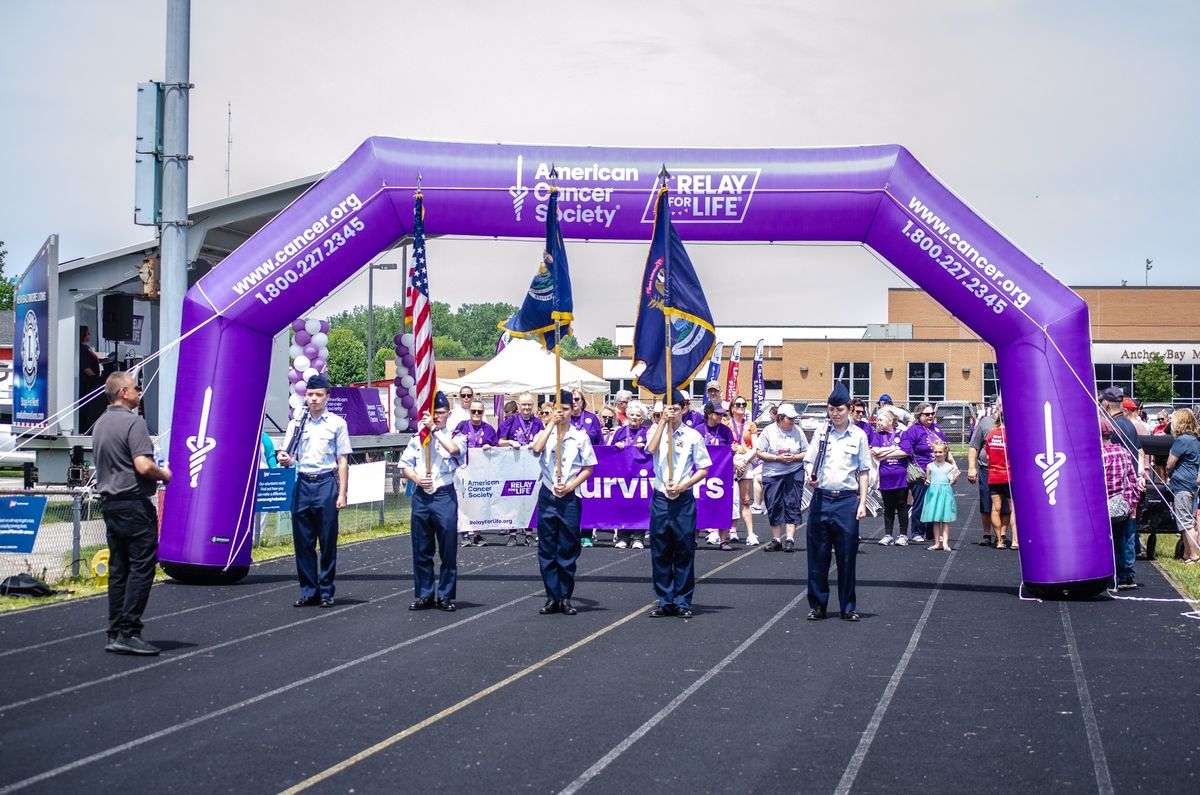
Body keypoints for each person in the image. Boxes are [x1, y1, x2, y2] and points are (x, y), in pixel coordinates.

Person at [93, 371, 171, 655]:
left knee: (119, 569)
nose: (139, 393)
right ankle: (129, 630)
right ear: (124, 393)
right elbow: (143, 465)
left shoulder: (100, 424)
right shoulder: (133, 423)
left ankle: (115, 630)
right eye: (136, 389)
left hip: (110, 503)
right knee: (141, 567)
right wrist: (164, 474)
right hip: (134, 503)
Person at [277, 374, 352, 608]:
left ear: (327, 397)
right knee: (303, 541)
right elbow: (290, 456)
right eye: (310, 395)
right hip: (303, 483)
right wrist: (284, 458)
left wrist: (342, 493)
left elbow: (342, 460)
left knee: (327, 541)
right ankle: (309, 590)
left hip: (326, 484)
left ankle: (327, 590)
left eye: (319, 395)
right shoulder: (296, 424)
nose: (314, 399)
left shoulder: (337, 424)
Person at [803, 384, 871, 621]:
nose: (835, 414)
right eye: (831, 409)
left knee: (846, 556)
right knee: (818, 556)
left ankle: (848, 607)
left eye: (840, 409)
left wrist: (862, 502)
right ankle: (818, 605)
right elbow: (809, 461)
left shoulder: (859, 436)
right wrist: (810, 476)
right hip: (821, 499)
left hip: (846, 501)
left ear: (849, 409)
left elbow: (864, 471)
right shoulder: (822, 433)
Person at [646, 389, 711, 618]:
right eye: (668, 408)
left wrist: (684, 485)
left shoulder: (693, 436)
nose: (671, 411)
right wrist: (663, 422)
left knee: (684, 550)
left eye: (676, 408)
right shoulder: (656, 431)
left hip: (683, 500)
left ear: (684, 409)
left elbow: (703, 468)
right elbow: (650, 450)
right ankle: (665, 600)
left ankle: (683, 600)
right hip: (661, 499)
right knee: (661, 551)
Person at [531, 389, 597, 615]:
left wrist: (570, 486)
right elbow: (536, 450)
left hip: (569, 496)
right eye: (558, 409)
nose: (562, 413)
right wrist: (550, 424)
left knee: (568, 547)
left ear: (573, 410)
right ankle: (552, 597)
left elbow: (589, 467)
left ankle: (566, 597)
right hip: (548, 494)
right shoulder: (545, 433)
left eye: (566, 409)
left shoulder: (580, 436)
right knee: (547, 547)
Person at [400, 391, 466, 611]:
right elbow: (405, 465)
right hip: (422, 495)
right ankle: (425, 594)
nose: (437, 417)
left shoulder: (456, 435)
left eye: (441, 413)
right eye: (433, 413)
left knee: (448, 549)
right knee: (421, 548)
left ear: (448, 413)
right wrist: (417, 478)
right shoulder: (418, 438)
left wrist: (435, 430)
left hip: (444, 496)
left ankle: (446, 595)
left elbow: (454, 451)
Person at [755, 402, 809, 552]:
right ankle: (776, 539)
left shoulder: (798, 431)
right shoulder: (768, 431)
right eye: (789, 418)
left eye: (794, 418)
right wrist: (776, 458)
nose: (793, 421)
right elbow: (759, 452)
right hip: (773, 472)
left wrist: (796, 457)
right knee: (774, 504)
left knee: (793, 503)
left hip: (794, 470)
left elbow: (807, 451)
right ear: (780, 418)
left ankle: (790, 539)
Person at [498, 392, 544, 547]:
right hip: (513, 465)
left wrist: (536, 444)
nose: (526, 407)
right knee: (512, 498)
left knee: (529, 498)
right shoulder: (510, 421)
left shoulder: (537, 423)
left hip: (531, 466)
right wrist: (510, 442)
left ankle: (529, 534)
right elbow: (500, 442)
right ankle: (512, 533)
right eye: (524, 404)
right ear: (519, 405)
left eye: (529, 404)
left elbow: (544, 440)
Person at [1101, 416, 1142, 588]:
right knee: (1124, 539)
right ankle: (1125, 575)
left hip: (1102, 505)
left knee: (1105, 542)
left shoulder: (1097, 455)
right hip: (1121, 503)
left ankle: (1108, 574)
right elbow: (1132, 480)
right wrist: (1132, 503)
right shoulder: (1125, 453)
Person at [899, 402, 948, 544]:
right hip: (920, 472)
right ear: (919, 415)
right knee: (920, 502)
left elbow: (946, 448)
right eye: (927, 414)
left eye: (932, 413)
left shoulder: (936, 429)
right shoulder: (913, 431)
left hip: (938, 472)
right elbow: (906, 449)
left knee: (934, 502)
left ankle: (931, 532)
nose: (931, 416)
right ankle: (916, 531)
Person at [967, 399, 1010, 547]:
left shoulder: (1015, 421)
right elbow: (974, 447)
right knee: (986, 503)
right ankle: (987, 533)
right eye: (1003, 404)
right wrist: (972, 467)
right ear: (998, 406)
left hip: (1009, 471)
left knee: (1006, 505)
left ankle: (1002, 535)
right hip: (987, 468)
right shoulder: (985, 422)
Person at [455, 400, 497, 546]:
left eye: (479, 411)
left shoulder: (490, 429)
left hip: (482, 472)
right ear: (469, 412)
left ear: (483, 412)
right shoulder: (461, 426)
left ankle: (478, 534)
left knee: (479, 502)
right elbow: (453, 444)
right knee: (464, 502)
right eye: (474, 411)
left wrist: (490, 447)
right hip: (464, 471)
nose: (477, 414)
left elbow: (498, 450)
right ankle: (465, 534)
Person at [612, 401, 651, 550]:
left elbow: (652, 449)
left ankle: (638, 537)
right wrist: (616, 447)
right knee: (623, 504)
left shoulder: (647, 432)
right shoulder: (620, 432)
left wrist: (644, 448)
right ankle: (623, 537)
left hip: (641, 475)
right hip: (622, 475)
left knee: (640, 505)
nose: (634, 418)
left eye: (638, 415)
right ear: (627, 415)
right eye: (632, 414)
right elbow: (609, 450)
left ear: (642, 418)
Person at [699, 400, 736, 551]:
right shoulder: (698, 430)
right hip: (701, 474)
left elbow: (730, 451)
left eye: (722, 413)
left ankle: (723, 540)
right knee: (699, 504)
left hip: (720, 474)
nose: (721, 415)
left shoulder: (726, 431)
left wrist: (732, 450)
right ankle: (694, 539)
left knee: (722, 504)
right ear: (708, 414)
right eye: (718, 413)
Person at [1165, 408, 1200, 565]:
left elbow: (1170, 464)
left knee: (1185, 522)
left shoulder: (1182, 440)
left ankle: (1194, 556)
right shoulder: (1195, 440)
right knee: (1187, 519)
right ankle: (1187, 554)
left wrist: (1168, 471)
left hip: (1182, 484)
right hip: (1192, 483)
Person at [870, 411, 910, 545]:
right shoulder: (877, 435)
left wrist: (884, 452)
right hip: (885, 476)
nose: (878, 422)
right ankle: (888, 535)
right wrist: (893, 449)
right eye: (878, 420)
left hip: (901, 476)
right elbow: (875, 452)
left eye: (881, 420)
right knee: (888, 507)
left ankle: (903, 535)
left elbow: (904, 452)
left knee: (902, 505)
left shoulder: (901, 434)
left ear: (890, 421)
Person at [983, 407, 1017, 549]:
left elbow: (988, 455)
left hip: (994, 475)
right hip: (1009, 475)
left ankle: (999, 541)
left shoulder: (991, 434)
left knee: (995, 509)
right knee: (1013, 508)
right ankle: (1015, 540)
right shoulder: (1013, 435)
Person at [729, 395, 760, 546]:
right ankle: (731, 530)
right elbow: (724, 444)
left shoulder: (750, 425)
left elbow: (755, 447)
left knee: (745, 499)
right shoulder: (726, 423)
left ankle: (750, 533)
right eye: (738, 404)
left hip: (745, 462)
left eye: (743, 404)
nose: (741, 406)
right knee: (729, 498)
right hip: (729, 463)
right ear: (732, 407)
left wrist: (744, 460)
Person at [921, 442, 959, 551]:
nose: (938, 454)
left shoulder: (950, 467)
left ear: (945, 452)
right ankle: (937, 543)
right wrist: (927, 482)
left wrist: (953, 480)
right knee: (936, 520)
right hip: (933, 492)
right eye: (936, 452)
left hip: (945, 493)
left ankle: (945, 543)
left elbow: (953, 481)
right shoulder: (930, 466)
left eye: (940, 452)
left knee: (945, 519)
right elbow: (928, 479)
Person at [78, 325, 106, 434]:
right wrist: (96, 378)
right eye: (88, 333)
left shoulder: (87, 348)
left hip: (91, 382)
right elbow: (86, 367)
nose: (90, 335)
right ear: (83, 335)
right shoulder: (82, 349)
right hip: (87, 383)